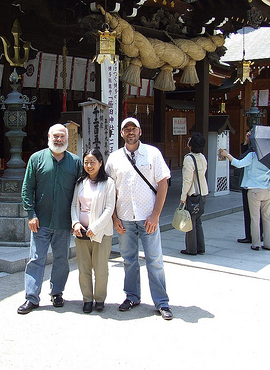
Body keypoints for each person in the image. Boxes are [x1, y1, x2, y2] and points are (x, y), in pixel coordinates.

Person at [105, 117, 173, 320]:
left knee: (154, 260)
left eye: (133, 128)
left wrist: (155, 215)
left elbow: (163, 184)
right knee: (129, 260)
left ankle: (161, 302)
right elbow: (109, 190)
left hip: (147, 217)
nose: (130, 132)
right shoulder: (114, 158)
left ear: (140, 132)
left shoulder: (152, 154)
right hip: (125, 217)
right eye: (126, 129)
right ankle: (132, 296)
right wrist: (114, 217)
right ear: (121, 134)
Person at [18, 124, 82, 314]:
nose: (59, 139)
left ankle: (57, 292)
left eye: (62, 136)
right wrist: (31, 214)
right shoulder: (36, 159)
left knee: (62, 259)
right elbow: (27, 189)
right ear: (48, 136)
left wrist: (76, 219)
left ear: (67, 138)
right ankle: (31, 297)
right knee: (36, 258)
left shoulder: (75, 162)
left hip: (64, 222)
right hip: (41, 221)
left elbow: (81, 192)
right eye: (55, 136)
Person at [71, 149, 115, 313]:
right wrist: (75, 223)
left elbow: (109, 208)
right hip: (81, 233)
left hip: (101, 233)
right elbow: (75, 205)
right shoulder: (80, 182)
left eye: (93, 162)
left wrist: (95, 228)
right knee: (83, 268)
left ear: (101, 163)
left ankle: (100, 299)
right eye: (86, 162)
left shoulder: (108, 183)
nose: (89, 165)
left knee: (101, 268)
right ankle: (87, 299)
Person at [219, 147, 270, 251]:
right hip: (267, 189)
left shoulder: (252, 155)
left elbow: (238, 164)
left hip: (254, 190)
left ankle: (256, 243)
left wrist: (227, 155)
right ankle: (269, 244)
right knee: (267, 218)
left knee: (255, 218)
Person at [180, 132, 209, 255]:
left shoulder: (188, 159)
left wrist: (183, 196)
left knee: (190, 222)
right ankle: (200, 247)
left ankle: (191, 249)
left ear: (191, 144)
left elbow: (187, 180)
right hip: (203, 192)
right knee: (198, 221)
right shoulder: (202, 157)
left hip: (192, 195)